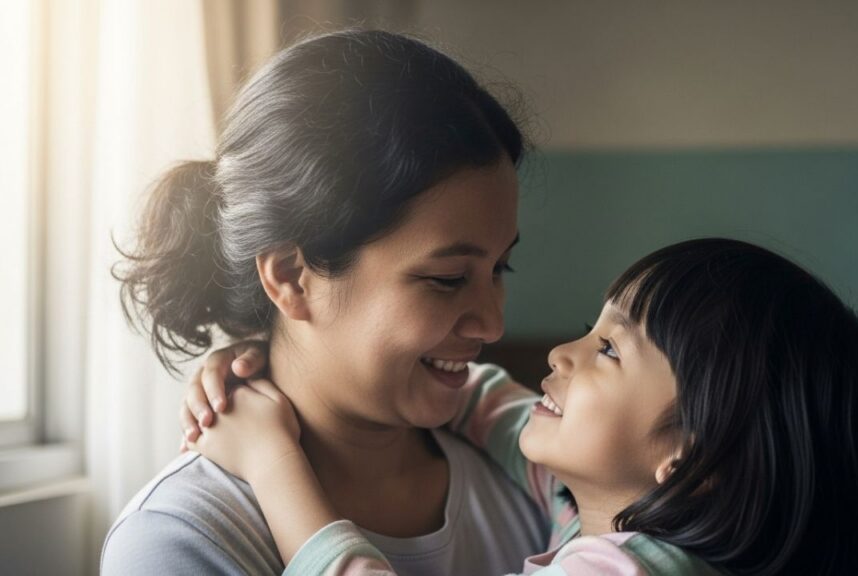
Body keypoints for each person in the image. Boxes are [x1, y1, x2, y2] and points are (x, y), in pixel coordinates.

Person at [102, 29, 551, 575]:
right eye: (448, 278)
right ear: (291, 277)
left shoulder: (538, 482)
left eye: (499, 267)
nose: (493, 324)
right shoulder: (181, 539)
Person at [184, 238, 858, 575]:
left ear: (693, 459)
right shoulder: (597, 507)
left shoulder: (623, 573)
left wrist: (270, 458)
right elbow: (491, 407)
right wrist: (285, 354)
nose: (562, 353)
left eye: (610, 351)